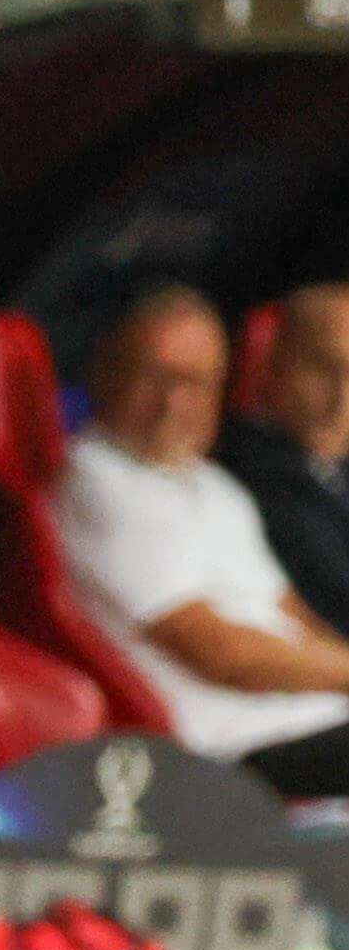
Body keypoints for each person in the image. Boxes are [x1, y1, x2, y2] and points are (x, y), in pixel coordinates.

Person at [55, 289, 349, 801]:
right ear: (104, 374)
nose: (172, 405)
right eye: (154, 378)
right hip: (240, 752)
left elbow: (296, 619)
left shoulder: (214, 486)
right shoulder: (98, 481)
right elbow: (220, 653)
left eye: (194, 383)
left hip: (316, 728)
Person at [218, 288, 349, 643]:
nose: (341, 398)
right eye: (323, 368)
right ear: (275, 364)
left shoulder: (330, 463)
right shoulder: (246, 466)